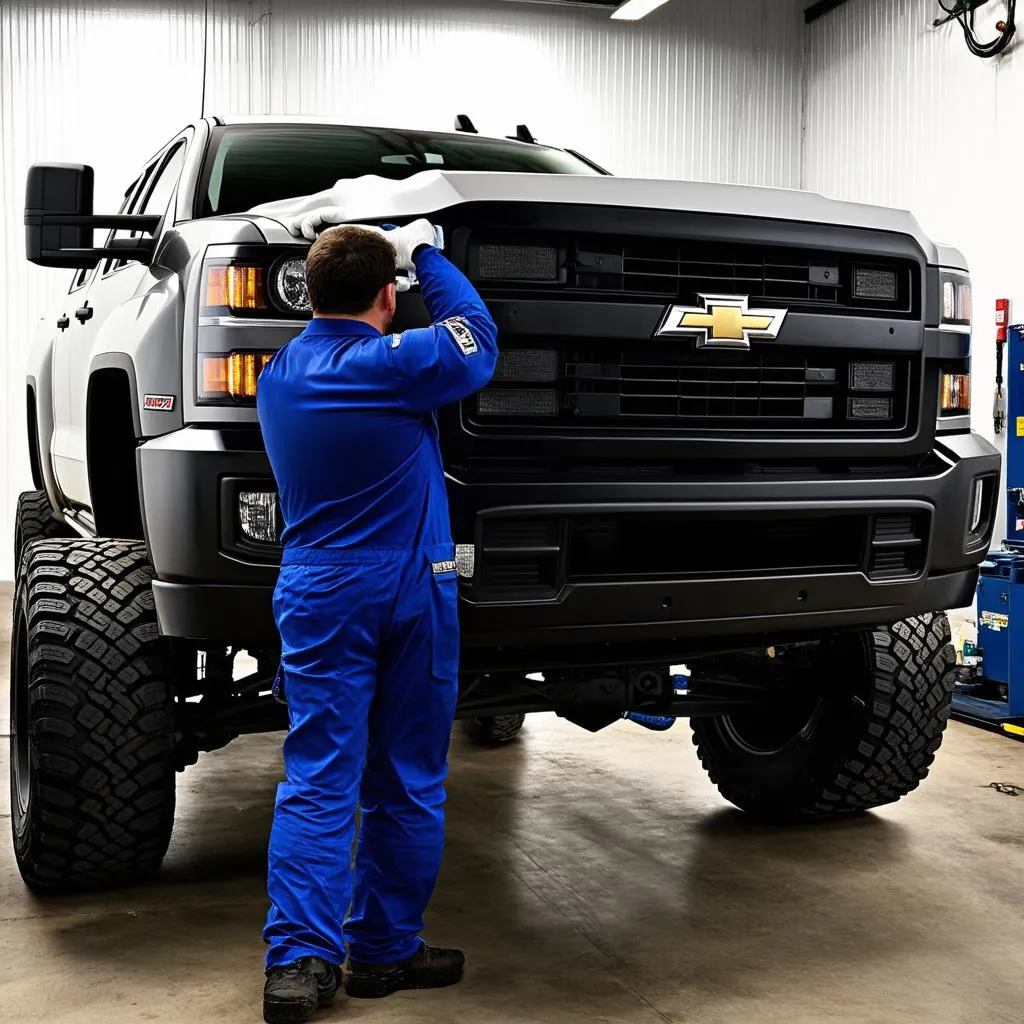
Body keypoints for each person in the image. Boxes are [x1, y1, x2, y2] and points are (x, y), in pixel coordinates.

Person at [256, 219, 498, 1024]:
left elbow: (339, 315)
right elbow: (475, 340)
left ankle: (298, 965)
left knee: (320, 776)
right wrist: (427, 251)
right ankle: (384, 953)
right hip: (409, 587)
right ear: (389, 296)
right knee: (407, 780)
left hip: (317, 592)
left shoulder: (283, 372)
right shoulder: (390, 368)